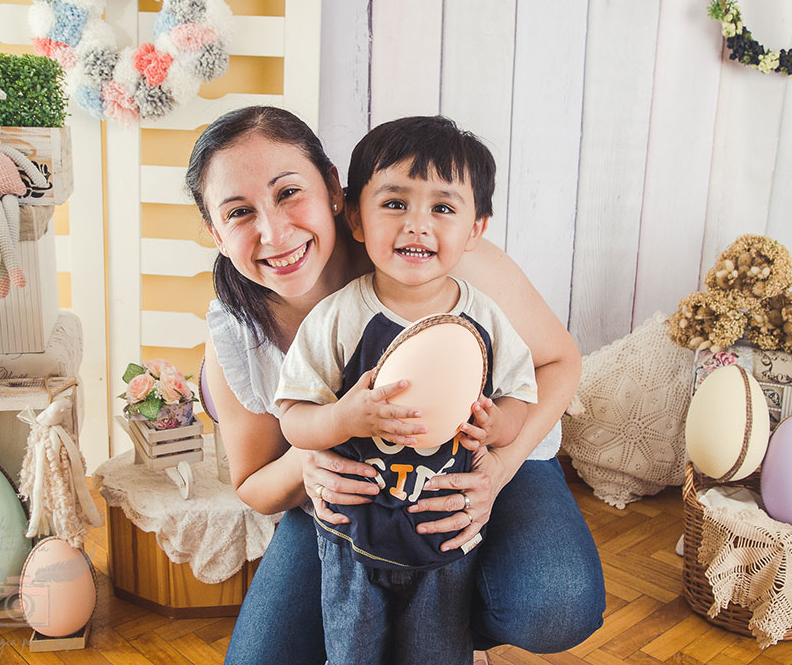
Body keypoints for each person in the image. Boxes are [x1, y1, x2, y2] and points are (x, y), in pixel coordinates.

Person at [189, 106, 604, 664]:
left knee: (555, 601)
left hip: (483, 458)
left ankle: (443, 629)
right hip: (350, 502)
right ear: (216, 232)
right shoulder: (238, 332)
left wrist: (497, 472)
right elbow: (253, 485)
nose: (274, 230)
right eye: (239, 212)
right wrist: (311, 458)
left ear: (335, 188)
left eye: (289, 193)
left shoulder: (428, 254)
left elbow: (561, 363)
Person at [275, 116, 538, 664]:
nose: (418, 225)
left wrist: (499, 425)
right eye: (395, 204)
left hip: (444, 532)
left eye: (443, 208)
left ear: (475, 229)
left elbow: (520, 396)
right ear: (355, 217)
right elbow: (293, 418)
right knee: (352, 654)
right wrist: (343, 419)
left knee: (437, 653)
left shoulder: (484, 317)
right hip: (352, 533)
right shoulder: (339, 318)